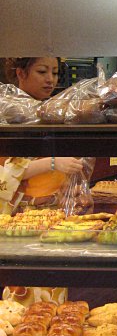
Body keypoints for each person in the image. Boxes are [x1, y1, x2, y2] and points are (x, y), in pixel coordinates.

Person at [1, 57, 84, 305]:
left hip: (54, 215)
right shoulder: (8, 111)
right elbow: (5, 172)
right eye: (42, 71)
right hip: (23, 219)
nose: (50, 79)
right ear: (20, 73)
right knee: (25, 294)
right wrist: (52, 163)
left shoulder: (51, 111)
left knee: (54, 291)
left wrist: (72, 186)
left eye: (55, 72)